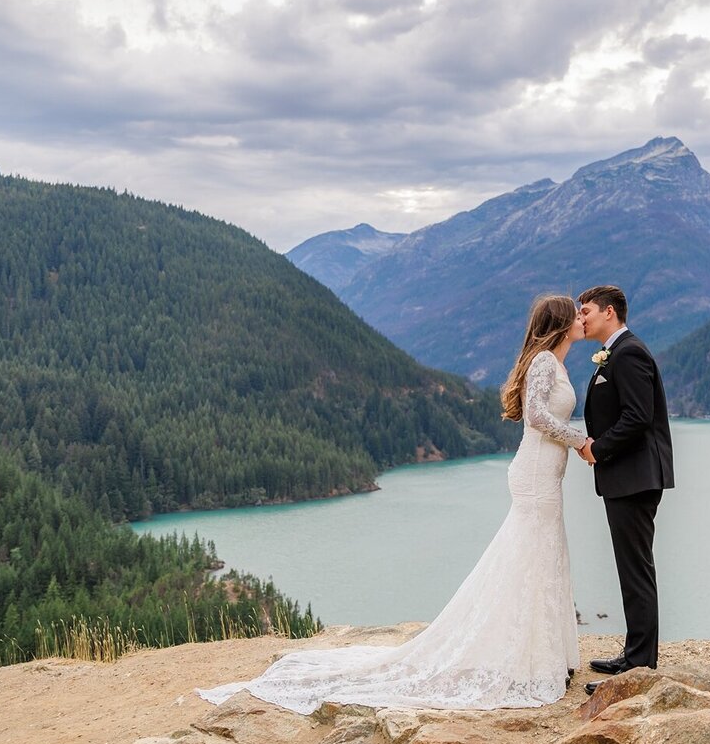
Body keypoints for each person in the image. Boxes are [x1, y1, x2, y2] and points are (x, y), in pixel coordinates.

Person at [198, 294, 587, 712]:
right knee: (534, 555)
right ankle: (531, 660)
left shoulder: (555, 362)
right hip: (535, 474)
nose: (584, 319)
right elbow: (536, 418)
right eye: (577, 315)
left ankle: (545, 655)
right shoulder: (546, 361)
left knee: (542, 555)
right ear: (562, 323)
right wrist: (580, 439)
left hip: (545, 472)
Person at [574, 284, 674, 695]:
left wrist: (598, 449)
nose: (581, 319)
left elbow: (637, 417)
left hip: (634, 476)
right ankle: (635, 655)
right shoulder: (614, 354)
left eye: (586, 312)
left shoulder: (629, 352)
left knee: (636, 570)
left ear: (610, 312)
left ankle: (639, 665)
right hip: (627, 477)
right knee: (632, 569)